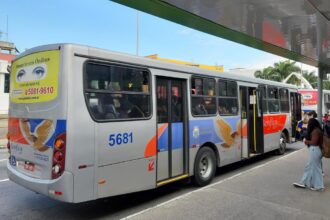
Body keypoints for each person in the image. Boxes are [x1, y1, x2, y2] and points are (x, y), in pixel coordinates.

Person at [293, 118, 324, 191]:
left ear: (312, 124)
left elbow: (314, 142)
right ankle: (305, 183)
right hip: (317, 150)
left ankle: (319, 186)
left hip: (315, 150)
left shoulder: (315, 131)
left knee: (315, 169)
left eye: (309, 123)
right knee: (311, 167)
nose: (308, 125)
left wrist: (306, 141)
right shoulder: (318, 130)